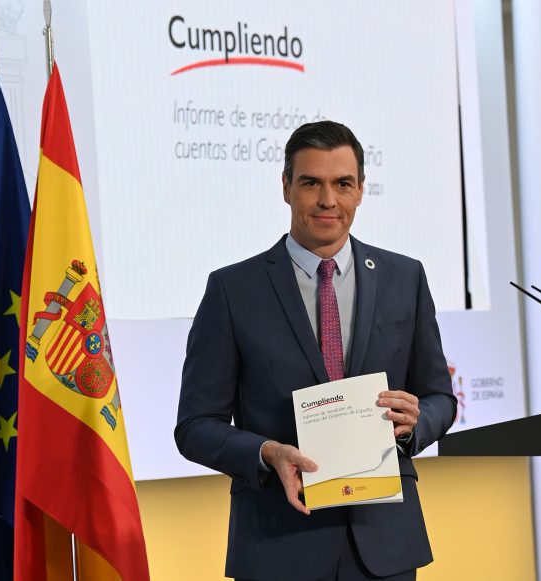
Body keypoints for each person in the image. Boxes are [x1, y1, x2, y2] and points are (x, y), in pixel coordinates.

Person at [175, 120, 456, 580]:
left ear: (361, 190)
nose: (329, 200)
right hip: (278, 545)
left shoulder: (406, 279)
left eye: (343, 183)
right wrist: (267, 452)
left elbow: (440, 398)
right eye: (312, 183)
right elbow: (194, 426)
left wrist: (415, 423)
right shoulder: (232, 290)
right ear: (286, 187)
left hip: (383, 548)